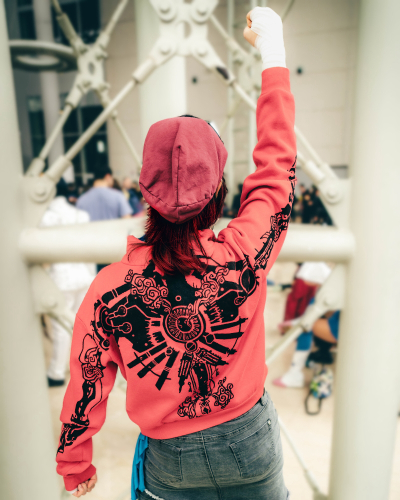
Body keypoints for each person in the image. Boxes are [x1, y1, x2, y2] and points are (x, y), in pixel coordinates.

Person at [56, 7, 294, 499]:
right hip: (250, 438)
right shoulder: (244, 252)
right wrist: (273, 53)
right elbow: (277, 169)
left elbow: (87, 374)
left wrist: (75, 459)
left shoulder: (111, 288)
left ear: (146, 192)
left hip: (171, 454)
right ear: (219, 193)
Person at [40, 180, 96, 386]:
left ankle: (56, 372)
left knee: (60, 329)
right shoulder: (81, 215)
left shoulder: (45, 218)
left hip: (61, 278)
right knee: (83, 325)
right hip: (84, 275)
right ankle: (87, 366)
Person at [273, 262, 339, 389]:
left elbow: (309, 318)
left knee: (305, 327)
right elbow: (311, 311)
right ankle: (297, 371)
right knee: (306, 323)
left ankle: (295, 374)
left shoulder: (328, 291)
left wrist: (295, 324)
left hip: (340, 328)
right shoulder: (326, 288)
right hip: (338, 324)